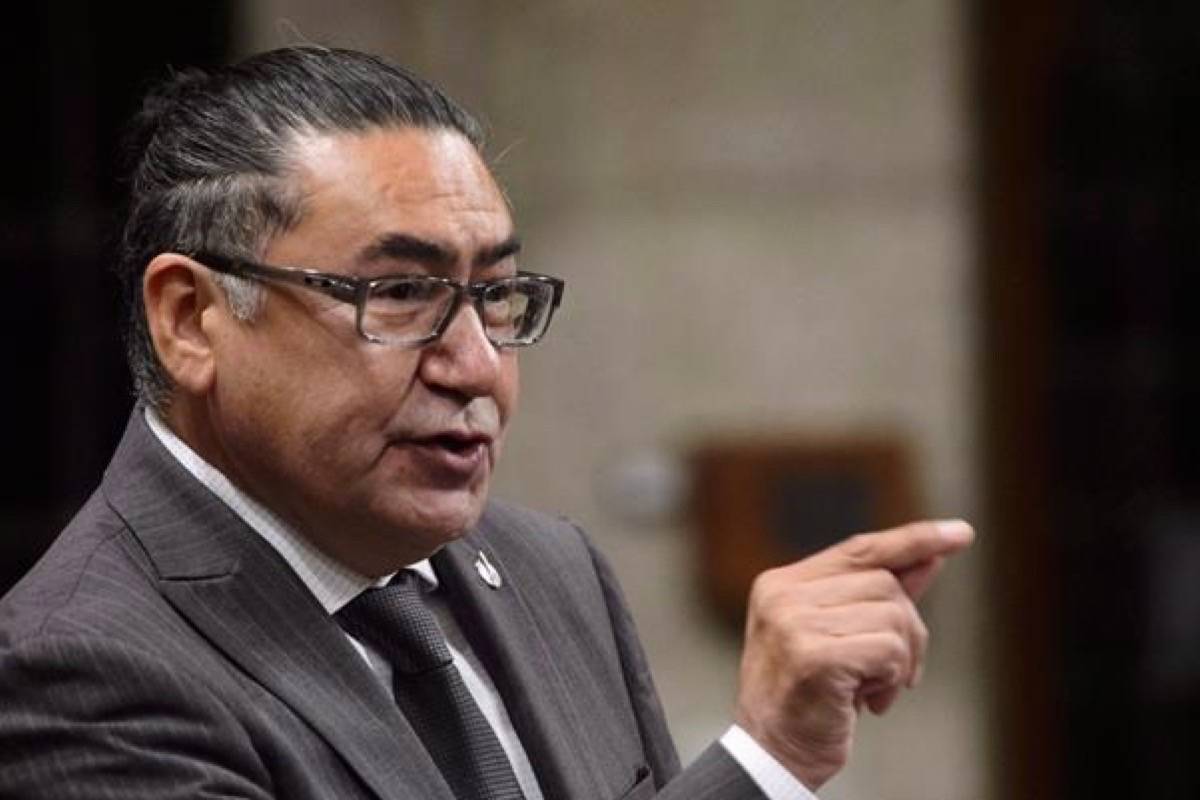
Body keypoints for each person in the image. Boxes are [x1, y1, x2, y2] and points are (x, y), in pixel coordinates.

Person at [0, 46, 973, 800]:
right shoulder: (78, 668)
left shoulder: (555, 571)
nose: (475, 366)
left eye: (498, 296)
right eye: (401, 292)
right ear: (193, 319)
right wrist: (762, 763)